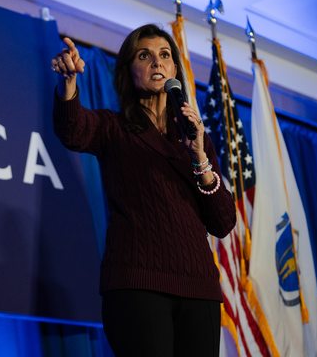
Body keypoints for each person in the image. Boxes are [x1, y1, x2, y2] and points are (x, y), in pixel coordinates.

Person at [51, 24, 237, 357]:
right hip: (138, 285)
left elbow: (223, 222)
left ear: (175, 71)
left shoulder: (196, 138)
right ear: (128, 71)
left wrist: (199, 158)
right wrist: (69, 82)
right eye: (144, 55)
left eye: (165, 55)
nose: (157, 62)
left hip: (199, 289)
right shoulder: (114, 127)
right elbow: (74, 129)